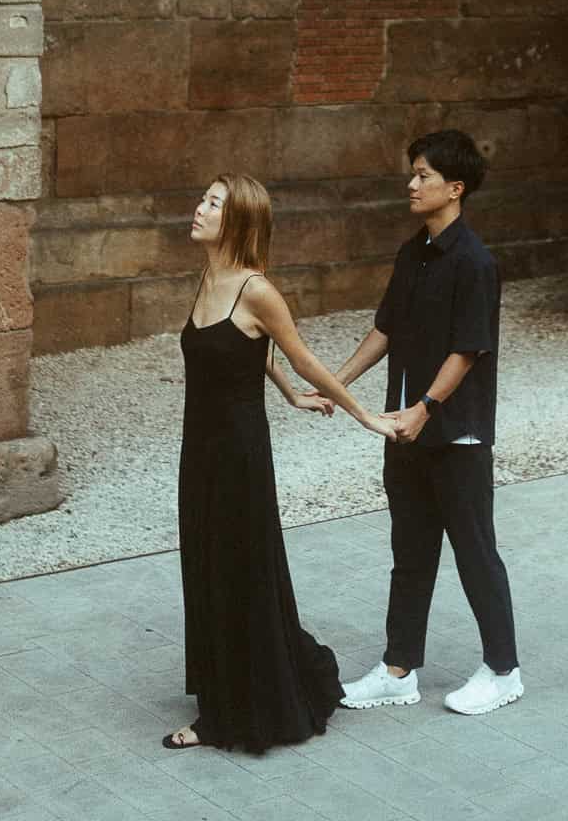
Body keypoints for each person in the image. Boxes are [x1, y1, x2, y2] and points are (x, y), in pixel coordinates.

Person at [166, 171, 396, 753]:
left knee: (238, 570)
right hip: (201, 450)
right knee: (206, 565)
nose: (199, 208)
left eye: (212, 203)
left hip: (240, 453)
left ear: (238, 219)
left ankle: (225, 715)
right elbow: (249, 347)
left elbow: (304, 358)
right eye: (203, 198)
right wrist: (288, 393)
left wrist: (363, 415)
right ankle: (234, 681)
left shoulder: (257, 289)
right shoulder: (210, 276)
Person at [332, 129, 522, 717]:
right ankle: (397, 670)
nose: (411, 185)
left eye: (423, 176)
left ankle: (503, 669)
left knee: (474, 552)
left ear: (455, 188)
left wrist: (424, 409)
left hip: (454, 433)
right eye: (412, 173)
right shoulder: (411, 252)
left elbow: (467, 351)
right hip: (405, 431)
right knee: (410, 552)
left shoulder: (475, 263)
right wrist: (335, 385)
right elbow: (385, 330)